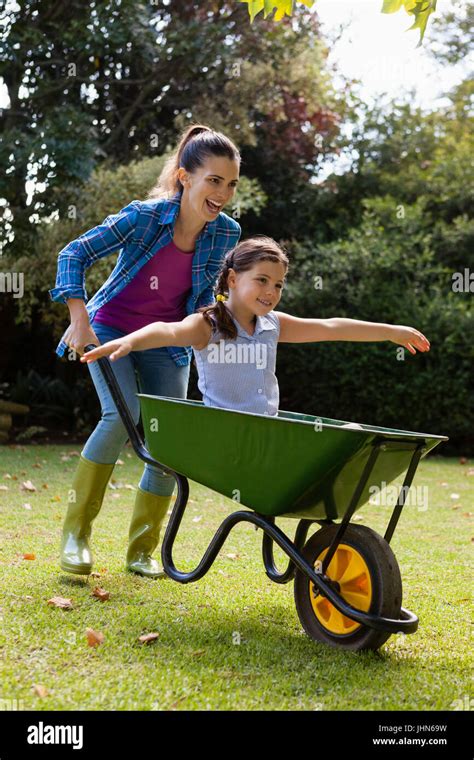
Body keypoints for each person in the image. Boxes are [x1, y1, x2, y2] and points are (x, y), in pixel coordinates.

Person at [49, 124, 241, 578]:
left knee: (167, 437)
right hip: (108, 327)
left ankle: (141, 551)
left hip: (162, 338)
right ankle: (75, 536)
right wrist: (79, 318)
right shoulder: (144, 217)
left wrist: (212, 324)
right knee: (120, 414)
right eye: (213, 180)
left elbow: (201, 297)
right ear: (184, 177)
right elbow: (72, 254)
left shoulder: (225, 233)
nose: (223, 193)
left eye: (231, 184)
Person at [81, 236, 431, 420]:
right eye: (262, 280)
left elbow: (330, 326)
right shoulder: (209, 324)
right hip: (227, 435)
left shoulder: (272, 325)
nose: (271, 292)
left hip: (266, 433)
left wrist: (391, 331)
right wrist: (128, 341)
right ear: (232, 279)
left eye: (278, 285)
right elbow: (168, 332)